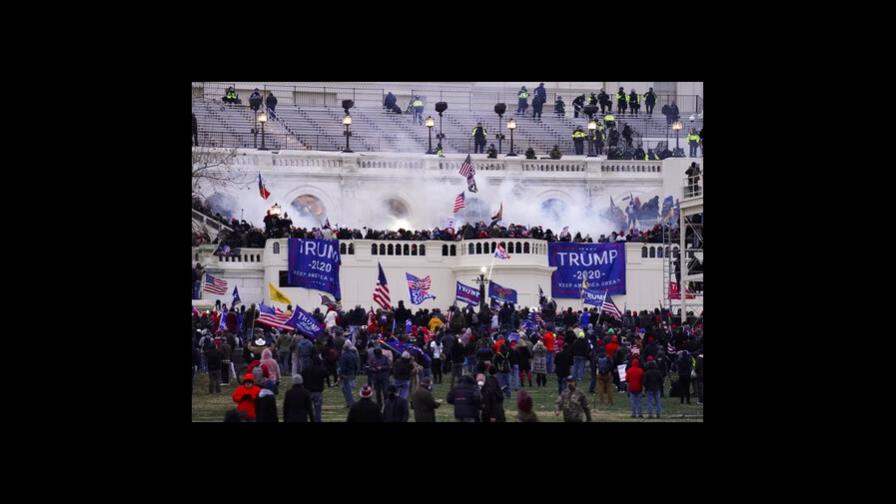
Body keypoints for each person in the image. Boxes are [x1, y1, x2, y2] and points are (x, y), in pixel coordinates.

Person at [301, 355, 327, 422]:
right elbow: (326, 375)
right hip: (318, 391)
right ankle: (317, 420)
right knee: (318, 409)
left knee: (307, 408)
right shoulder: (322, 370)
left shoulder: (306, 369)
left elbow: (301, 376)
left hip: (307, 391)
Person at [339, 340, 360, 408]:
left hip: (346, 375)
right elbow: (356, 365)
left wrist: (341, 375)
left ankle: (351, 403)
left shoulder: (344, 356)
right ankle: (350, 403)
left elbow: (343, 366)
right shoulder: (353, 355)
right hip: (352, 373)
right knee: (349, 389)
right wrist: (356, 372)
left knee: (347, 390)